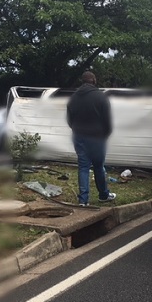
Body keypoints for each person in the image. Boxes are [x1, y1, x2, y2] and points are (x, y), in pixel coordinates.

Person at [67, 71, 116, 206]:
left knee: (83, 167)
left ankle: (83, 200)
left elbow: (70, 120)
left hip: (79, 136)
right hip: (97, 137)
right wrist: (104, 135)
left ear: (82, 81)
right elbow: (107, 121)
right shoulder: (100, 97)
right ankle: (103, 195)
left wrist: (77, 130)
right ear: (94, 80)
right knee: (99, 166)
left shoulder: (74, 97)